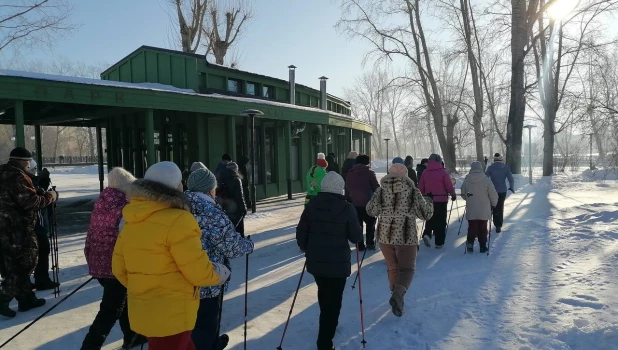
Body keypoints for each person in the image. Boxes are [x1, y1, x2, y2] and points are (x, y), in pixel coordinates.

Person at [112, 161, 230, 350]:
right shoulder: (179, 220)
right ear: (176, 187)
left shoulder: (130, 219)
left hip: (144, 310)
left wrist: (144, 287)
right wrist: (220, 272)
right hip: (173, 313)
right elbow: (198, 271)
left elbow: (119, 269)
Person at [185, 167, 254, 350]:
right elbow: (232, 247)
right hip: (209, 279)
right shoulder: (212, 212)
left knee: (190, 323)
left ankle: (212, 343)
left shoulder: (179, 207)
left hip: (182, 279)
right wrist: (248, 245)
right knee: (206, 322)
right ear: (209, 189)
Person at [296, 172, 362, 350]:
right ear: (340, 188)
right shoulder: (347, 208)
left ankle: (328, 324)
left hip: (316, 261)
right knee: (334, 300)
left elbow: (301, 232)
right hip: (338, 263)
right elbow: (356, 237)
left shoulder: (311, 206)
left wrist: (305, 247)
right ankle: (325, 341)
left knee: (324, 293)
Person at [82, 168, 146, 350]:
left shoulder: (102, 203)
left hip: (98, 262)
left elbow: (91, 235)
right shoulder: (124, 208)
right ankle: (89, 346)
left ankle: (133, 336)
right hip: (115, 266)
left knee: (122, 300)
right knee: (110, 310)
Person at [366, 162, 433, 317]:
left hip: (385, 236)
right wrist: (429, 202)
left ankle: (397, 297)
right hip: (406, 236)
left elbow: (371, 210)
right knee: (407, 269)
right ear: (406, 175)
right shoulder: (412, 191)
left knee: (393, 268)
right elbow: (425, 214)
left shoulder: (380, 191)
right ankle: (398, 295)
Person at [0, 147, 57, 318]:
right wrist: (51, 196)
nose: (29, 164)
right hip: (18, 228)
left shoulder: (3, 172)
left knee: (12, 263)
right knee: (26, 262)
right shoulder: (17, 176)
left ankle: (26, 298)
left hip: (3, 227)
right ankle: (3, 297)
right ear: (21, 161)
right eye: (28, 161)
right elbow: (30, 202)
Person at [24, 160, 58, 291]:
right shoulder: (26, 182)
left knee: (30, 256)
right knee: (42, 251)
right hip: (35, 224)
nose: (34, 173)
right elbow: (38, 198)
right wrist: (50, 193)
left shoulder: (20, 180)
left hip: (30, 225)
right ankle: (41, 280)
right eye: (33, 170)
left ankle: (25, 285)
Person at [418, 154, 456, 249]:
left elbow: (421, 186)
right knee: (441, 221)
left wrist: (422, 196)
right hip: (441, 200)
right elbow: (448, 185)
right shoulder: (443, 172)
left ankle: (427, 234)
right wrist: (453, 194)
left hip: (428, 199)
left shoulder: (425, 172)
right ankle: (439, 242)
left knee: (430, 218)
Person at [461, 162, 498, 253]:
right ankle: (482, 246)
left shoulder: (467, 180)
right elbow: (493, 194)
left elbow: (463, 194)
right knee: (482, 227)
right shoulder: (486, 180)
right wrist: (494, 204)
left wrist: (468, 199)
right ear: (481, 168)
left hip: (471, 207)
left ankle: (470, 243)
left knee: (472, 226)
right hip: (484, 208)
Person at [345, 154, 380, 251]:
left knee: (358, 224)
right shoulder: (369, 173)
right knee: (370, 223)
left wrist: (348, 198)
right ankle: (370, 243)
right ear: (367, 162)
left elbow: (347, 187)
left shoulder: (350, 173)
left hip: (354, 203)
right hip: (368, 203)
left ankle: (359, 245)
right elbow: (376, 188)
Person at [485, 153, 515, 233]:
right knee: (500, 207)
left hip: (491, 191)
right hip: (502, 191)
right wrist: (511, 187)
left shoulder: (490, 168)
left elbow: (485, 178)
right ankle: (498, 225)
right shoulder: (506, 168)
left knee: (490, 207)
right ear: (501, 159)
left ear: (494, 159)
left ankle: (486, 225)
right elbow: (511, 179)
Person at [217, 162, 247, 236]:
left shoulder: (220, 178)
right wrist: (243, 208)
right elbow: (240, 196)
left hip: (224, 206)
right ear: (235, 170)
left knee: (228, 229)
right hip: (235, 208)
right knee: (238, 229)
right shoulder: (236, 180)